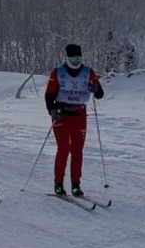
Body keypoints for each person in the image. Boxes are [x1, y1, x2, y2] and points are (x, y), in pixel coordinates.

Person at [45, 43, 105, 197]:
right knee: (63, 149)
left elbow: (100, 94)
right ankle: (58, 184)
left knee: (77, 151)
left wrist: (95, 89)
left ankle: (76, 185)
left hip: (79, 115)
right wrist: (51, 110)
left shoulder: (88, 72)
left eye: (78, 57)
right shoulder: (58, 72)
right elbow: (49, 95)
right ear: (67, 57)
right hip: (61, 114)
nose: (76, 60)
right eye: (73, 57)